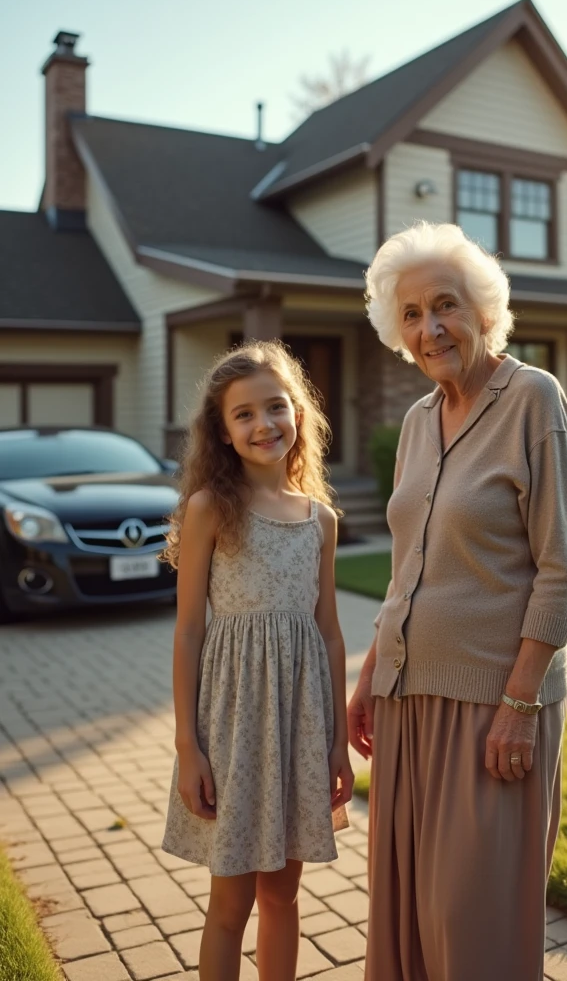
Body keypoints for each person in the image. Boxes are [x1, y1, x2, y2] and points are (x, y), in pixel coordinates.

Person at [348, 222, 567, 981]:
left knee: (471, 923)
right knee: (409, 914)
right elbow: (408, 568)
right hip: (406, 702)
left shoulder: (534, 401)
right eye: (412, 314)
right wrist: (369, 671)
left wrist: (519, 706)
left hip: (492, 708)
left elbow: (561, 571)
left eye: (445, 305)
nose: (431, 328)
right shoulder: (418, 422)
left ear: (484, 311)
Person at [161, 340, 353, 981]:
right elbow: (189, 632)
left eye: (276, 407)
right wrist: (189, 748)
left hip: (299, 731)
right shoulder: (210, 509)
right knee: (230, 902)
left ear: (299, 413)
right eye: (244, 414)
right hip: (233, 731)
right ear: (222, 431)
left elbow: (328, 631)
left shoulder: (320, 519)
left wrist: (335, 746)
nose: (263, 423)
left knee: (283, 896)